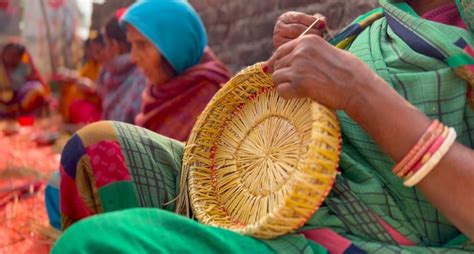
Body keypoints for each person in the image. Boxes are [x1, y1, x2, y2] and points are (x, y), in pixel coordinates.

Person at [54, 0, 474, 253]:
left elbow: (366, 102)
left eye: (142, 45)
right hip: (270, 186)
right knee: (94, 153)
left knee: (93, 245)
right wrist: (310, 62)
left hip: (350, 232)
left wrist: (358, 90)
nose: (134, 57)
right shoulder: (379, 21)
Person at [67, 10, 147, 124]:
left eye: (104, 46)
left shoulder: (142, 77)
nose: (134, 56)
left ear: (115, 45)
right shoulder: (110, 70)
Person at [56, 32, 106, 123]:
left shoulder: (107, 66)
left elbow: (106, 92)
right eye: (94, 51)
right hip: (90, 101)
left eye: (98, 51)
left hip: (101, 109)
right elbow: (81, 75)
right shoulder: (92, 63)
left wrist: (92, 88)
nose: (96, 54)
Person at [0, 42, 49, 118]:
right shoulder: (2, 68)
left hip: (21, 101)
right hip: (4, 102)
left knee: (36, 90)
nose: (11, 58)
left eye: (15, 55)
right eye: (9, 54)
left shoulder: (25, 65)